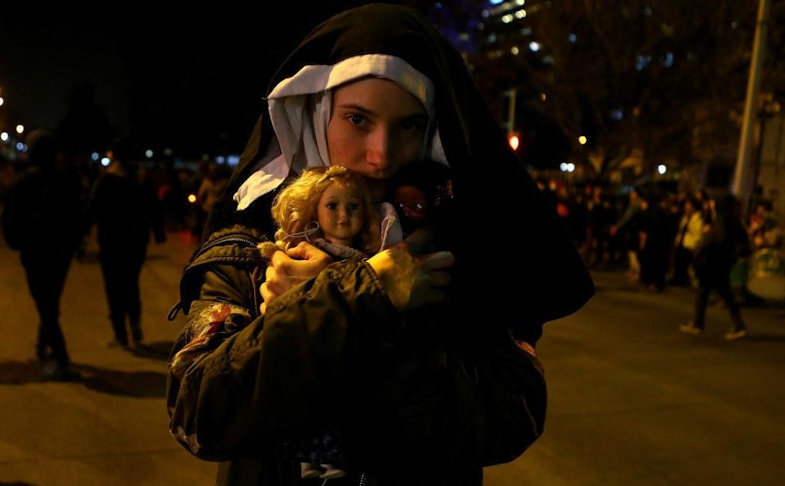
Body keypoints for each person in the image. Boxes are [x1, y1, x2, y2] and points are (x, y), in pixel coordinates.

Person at [165, 4, 594, 484]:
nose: (381, 155)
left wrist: (349, 302)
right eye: (357, 120)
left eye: (408, 125)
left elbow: (510, 417)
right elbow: (200, 414)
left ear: (432, 130)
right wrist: (357, 296)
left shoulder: (468, 248)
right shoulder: (248, 244)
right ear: (316, 113)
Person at [256, 165, 381, 479]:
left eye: (353, 206)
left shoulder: (368, 258)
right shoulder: (303, 258)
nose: (343, 215)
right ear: (314, 208)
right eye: (332, 206)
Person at [1, 129, 86, 381]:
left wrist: (18, 241)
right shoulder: (66, 181)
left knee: (45, 305)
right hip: (60, 252)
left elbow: (12, 221)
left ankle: (61, 357)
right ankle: (42, 345)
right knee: (50, 301)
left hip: (35, 252)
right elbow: (77, 217)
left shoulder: (23, 183)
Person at [83, 151, 167, 349]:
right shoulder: (143, 181)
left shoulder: (107, 181)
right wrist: (159, 234)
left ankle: (120, 335)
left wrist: (80, 233)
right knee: (131, 284)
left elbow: (92, 209)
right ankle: (136, 327)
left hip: (111, 241)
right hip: (137, 242)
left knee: (114, 288)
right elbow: (155, 209)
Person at [680, 193, 750, 340]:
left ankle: (737, 325)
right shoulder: (731, 218)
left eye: (713, 201)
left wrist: (708, 237)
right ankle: (699, 323)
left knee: (719, 293)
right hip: (721, 261)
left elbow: (719, 238)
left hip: (715, 261)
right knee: (708, 292)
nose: (710, 204)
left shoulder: (722, 218)